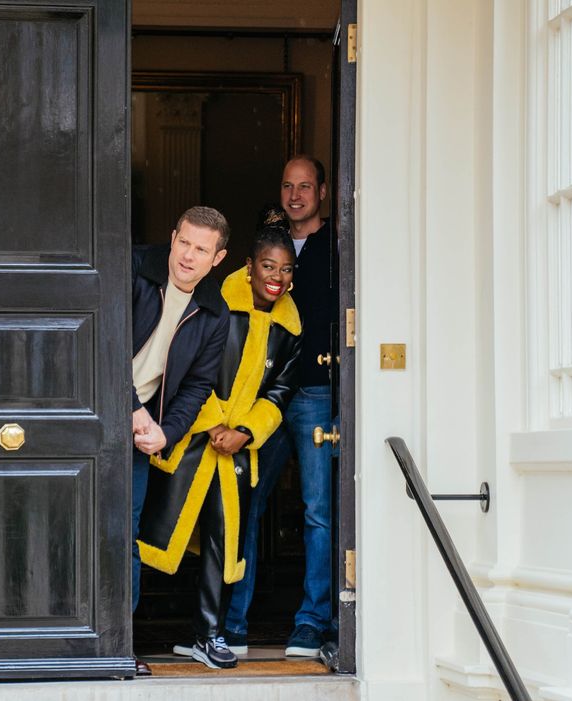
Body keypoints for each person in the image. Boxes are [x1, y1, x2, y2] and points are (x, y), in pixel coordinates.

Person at [137, 227, 302, 669]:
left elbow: (280, 392)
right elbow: (191, 369)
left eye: (286, 270)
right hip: (187, 439)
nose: (276, 277)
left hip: (237, 452)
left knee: (221, 541)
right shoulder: (215, 303)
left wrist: (246, 431)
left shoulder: (290, 328)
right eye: (268, 266)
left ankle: (207, 634)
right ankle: (125, 631)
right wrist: (211, 423)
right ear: (247, 267)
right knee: (152, 532)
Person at [224, 156, 340, 658]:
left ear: (323, 191)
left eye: (306, 187)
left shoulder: (341, 244)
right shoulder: (259, 250)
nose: (296, 195)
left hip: (315, 391)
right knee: (245, 507)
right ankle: (231, 625)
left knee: (318, 512)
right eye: (288, 186)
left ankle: (312, 623)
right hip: (259, 399)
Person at [130, 206, 231, 674]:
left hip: (141, 430)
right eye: (185, 243)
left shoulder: (214, 312)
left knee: (122, 536)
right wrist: (133, 408)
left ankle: (116, 643)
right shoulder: (132, 270)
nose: (189, 256)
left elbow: (196, 386)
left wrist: (165, 432)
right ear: (172, 238)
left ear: (218, 258)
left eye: (202, 249)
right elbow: (101, 342)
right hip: (96, 413)